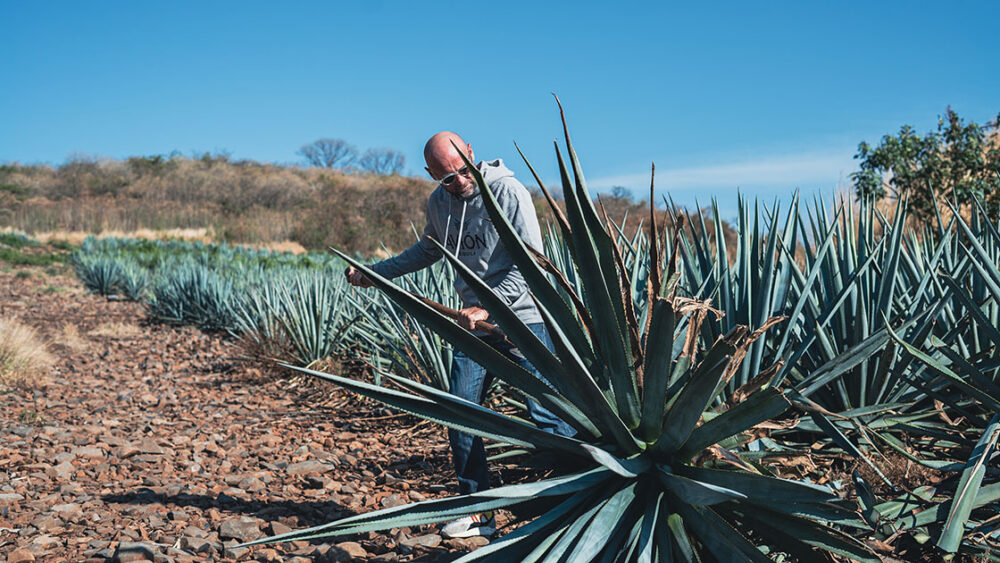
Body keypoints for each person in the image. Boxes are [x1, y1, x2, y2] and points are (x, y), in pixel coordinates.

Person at [345, 131, 574, 539]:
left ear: (471, 153)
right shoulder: (440, 202)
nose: (460, 181)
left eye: (463, 171)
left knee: (548, 418)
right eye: (447, 178)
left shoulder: (508, 192)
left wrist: (490, 305)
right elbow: (428, 250)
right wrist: (376, 273)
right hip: (472, 328)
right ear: (432, 174)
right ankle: (478, 512)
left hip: (524, 321)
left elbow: (531, 262)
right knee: (460, 414)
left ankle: (570, 505)